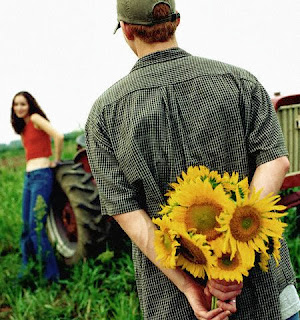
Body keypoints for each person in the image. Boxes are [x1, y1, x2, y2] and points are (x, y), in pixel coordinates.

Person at [85, 1, 300, 319]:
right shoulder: (242, 82)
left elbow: (126, 213)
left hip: (174, 300)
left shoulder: (104, 113)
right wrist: (235, 251)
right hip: (265, 287)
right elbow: (276, 163)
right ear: (177, 21)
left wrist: (189, 286)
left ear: (127, 30)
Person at [11, 91, 64, 282]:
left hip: (42, 175)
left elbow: (58, 136)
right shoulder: (22, 127)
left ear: (30, 105)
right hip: (29, 177)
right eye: (16, 105)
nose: (19, 108)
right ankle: (27, 268)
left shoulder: (35, 118)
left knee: (36, 227)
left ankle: (52, 277)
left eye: (23, 104)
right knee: (26, 226)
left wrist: (56, 161)